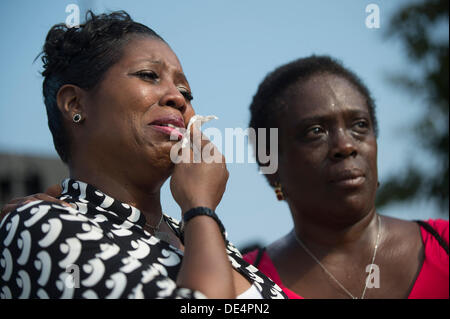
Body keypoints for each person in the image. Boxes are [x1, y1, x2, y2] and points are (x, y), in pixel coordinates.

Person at [0, 11, 286, 299]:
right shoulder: (40, 224)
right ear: (75, 104)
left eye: (186, 92)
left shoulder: (198, 237)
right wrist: (200, 206)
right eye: (149, 76)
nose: (178, 99)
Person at [243, 55, 449, 299]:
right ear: (269, 162)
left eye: (360, 125)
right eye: (315, 131)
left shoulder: (443, 246)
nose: (346, 145)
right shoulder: (242, 285)